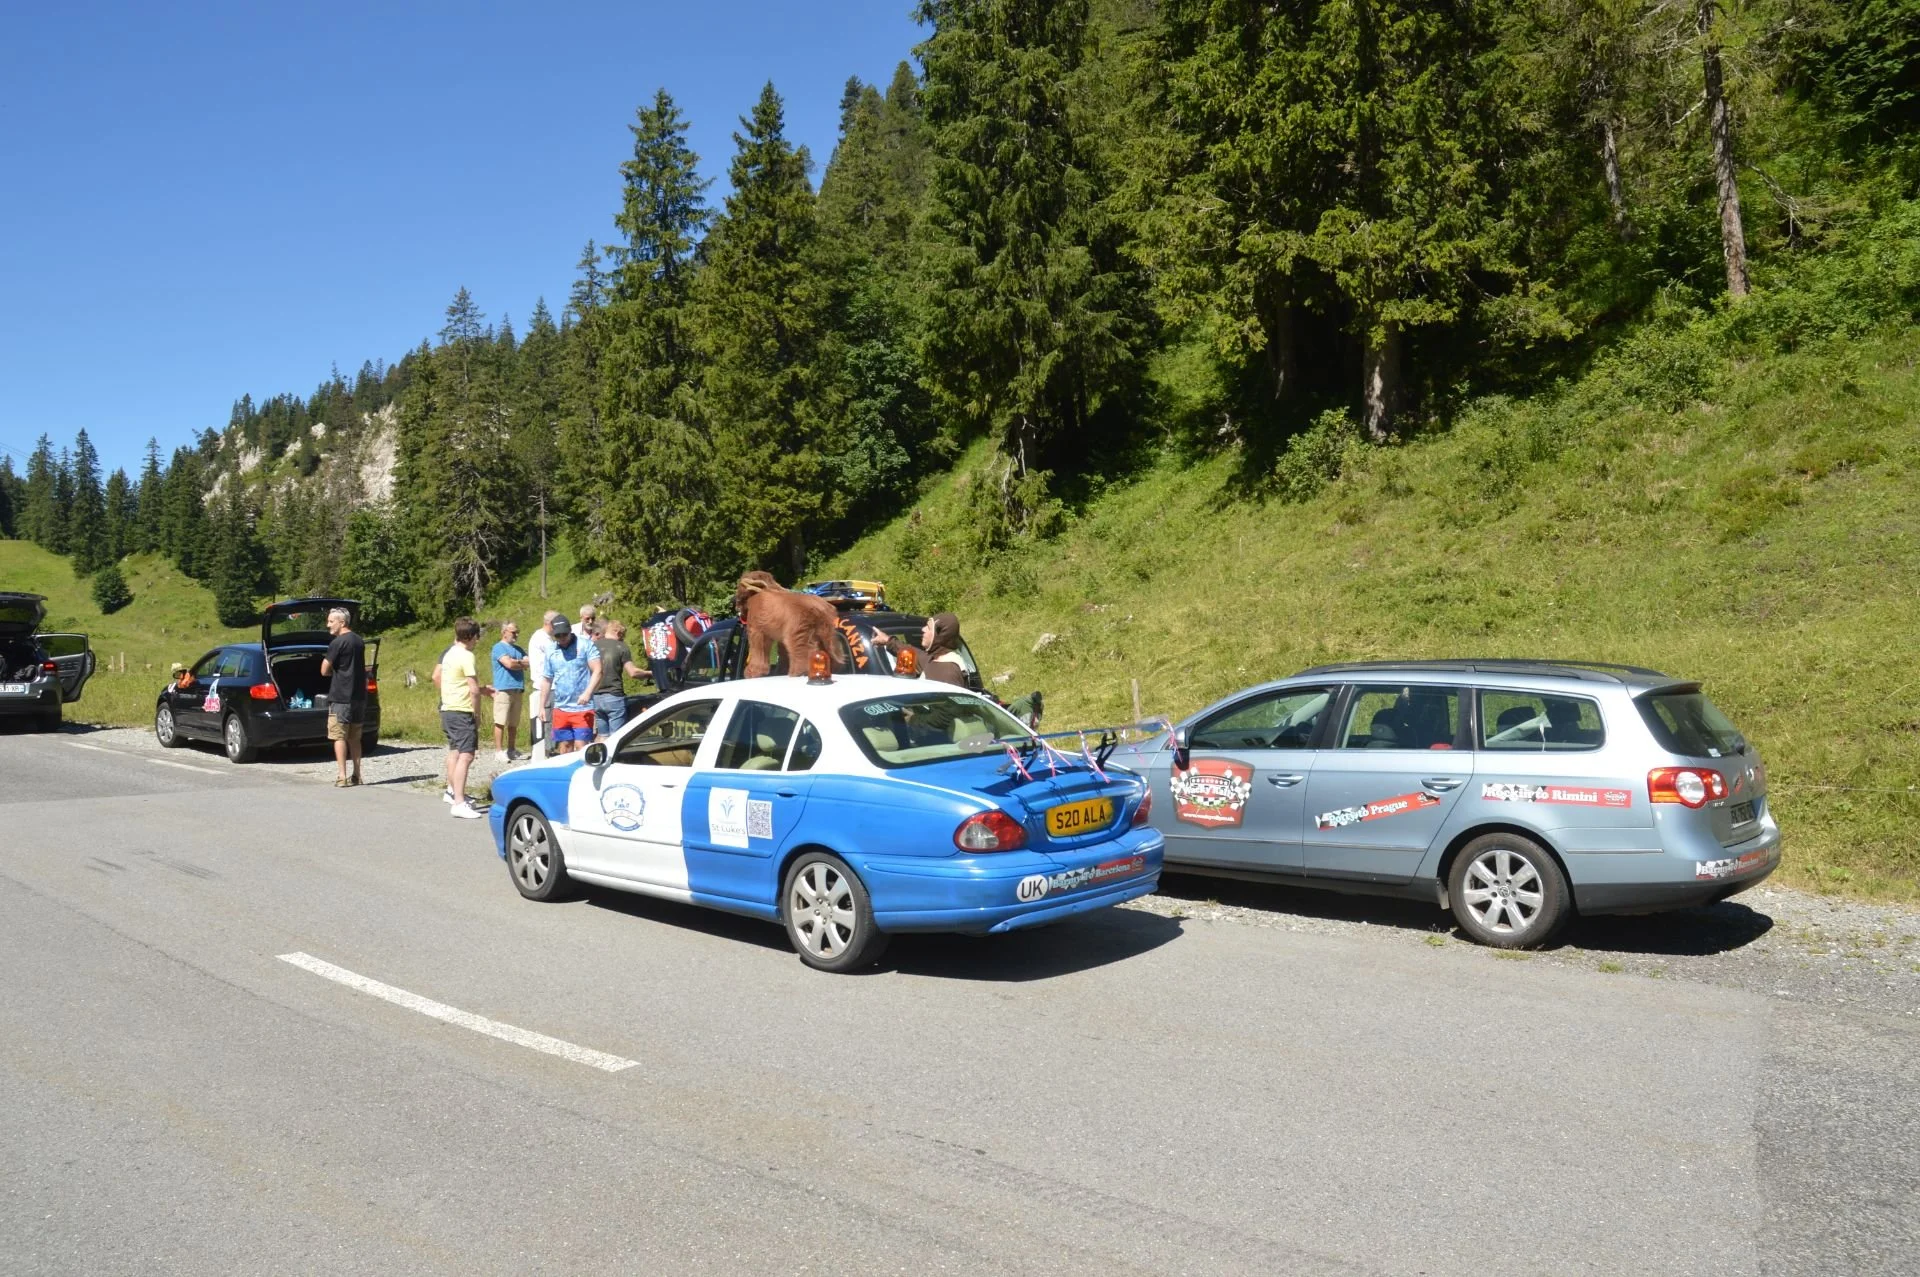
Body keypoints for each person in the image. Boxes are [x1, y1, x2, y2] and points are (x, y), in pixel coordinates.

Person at [431, 617, 490, 819]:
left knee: (456, 751)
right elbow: (472, 689)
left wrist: (483, 690)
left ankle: (454, 792)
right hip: (461, 710)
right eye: (477, 637)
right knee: (467, 755)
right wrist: (476, 714)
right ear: (471, 636)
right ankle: (459, 802)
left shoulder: (449, 654)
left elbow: (453, 683)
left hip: (448, 709)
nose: (477, 641)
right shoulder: (466, 656)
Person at [319, 607, 367, 787]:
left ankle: (342, 776)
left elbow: (324, 670)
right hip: (359, 696)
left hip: (340, 697)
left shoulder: (337, 643)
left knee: (339, 736)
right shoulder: (359, 641)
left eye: (331, 621)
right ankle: (357, 775)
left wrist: (334, 672)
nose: (328, 625)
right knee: (355, 737)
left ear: (342, 622)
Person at [540, 617, 601, 755]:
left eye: (564, 634)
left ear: (570, 631)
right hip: (561, 707)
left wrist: (587, 692)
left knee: (581, 747)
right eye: (558, 635)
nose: (562, 638)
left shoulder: (585, 645)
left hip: (582, 707)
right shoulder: (551, 651)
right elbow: (547, 679)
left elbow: (597, 670)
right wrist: (542, 706)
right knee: (565, 746)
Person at [878, 613, 970, 687]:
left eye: (929, 628)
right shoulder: (935, 659)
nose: (923, 629)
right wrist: (887, 640)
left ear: (939, 636)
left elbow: (949, 709)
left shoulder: (948, 672)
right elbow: (913, 652)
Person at [590, 619, 645, 740]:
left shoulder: (593, 646)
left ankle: (602, 757)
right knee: (616, 737)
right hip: (614, 697)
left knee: (603, 736)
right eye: (623, 635)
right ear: (618, 632)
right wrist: (650, 673)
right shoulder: (621, 646)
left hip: (596, 697)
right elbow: (633, 672)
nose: (623, 639)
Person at [491, 620, 528, 761]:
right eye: (513, 632)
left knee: (514, 722)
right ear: (504, 632)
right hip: (503, 688)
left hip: (517, 688)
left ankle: (511, 749)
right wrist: (519, 663)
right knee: (500, 721)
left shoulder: (518, 649)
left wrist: (516, 663)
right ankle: (499, 751)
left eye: (517, 632)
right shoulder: (498, 648)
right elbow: (508, 664)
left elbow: (528, 661)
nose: (516, 635)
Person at [526, 609, 561, 757]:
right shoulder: (543, 639)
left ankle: (547, 749)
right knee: (548, 721)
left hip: (545, 685)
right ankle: (548, 751)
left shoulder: (544, 637)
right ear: (550, 624)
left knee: (548, 720)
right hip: (546, 685)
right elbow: (557, 656)